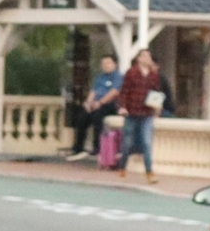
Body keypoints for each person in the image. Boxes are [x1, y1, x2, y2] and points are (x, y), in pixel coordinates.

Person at [116, 47, 166, 183]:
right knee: (127, 142)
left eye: (148, 56)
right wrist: (122, 107)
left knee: (146, 142)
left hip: (147, 112)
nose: (147, 59)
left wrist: (157, 107)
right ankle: (122, 167)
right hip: (132, 111)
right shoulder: (131, 73)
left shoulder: (153, 75)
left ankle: (149, 172)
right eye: (144, 56)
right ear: (139, 58)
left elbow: (156, 92)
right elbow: (124, 91)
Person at [71, 54, 120, 160]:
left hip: (109, 105)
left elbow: (114, 92)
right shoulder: (100, 77)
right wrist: (88, 103)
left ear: (114, 64)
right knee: (81, 118)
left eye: (108, 63)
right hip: (95, 104)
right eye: (103, 64)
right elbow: (94, 91)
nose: (105, 66)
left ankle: (97, 148)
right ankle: (78, 147)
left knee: (97, 117)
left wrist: (100, 102)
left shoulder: (118, 76)